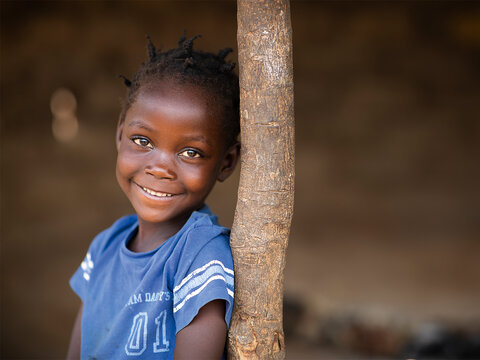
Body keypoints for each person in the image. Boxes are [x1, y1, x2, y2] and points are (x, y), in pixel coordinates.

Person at [67, 33, 240, 360]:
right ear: (120, 135)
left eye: (191, 152)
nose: (160, 168)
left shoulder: (199, 255)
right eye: (143, 141)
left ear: (226, 162)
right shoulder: (104, 247)